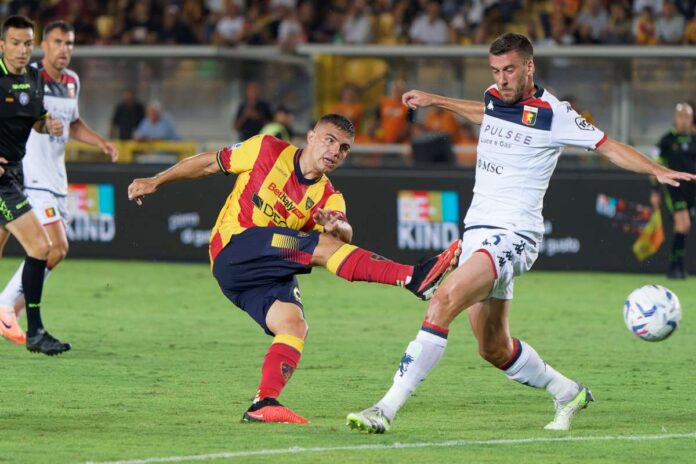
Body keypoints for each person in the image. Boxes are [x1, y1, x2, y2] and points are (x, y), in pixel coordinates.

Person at [346, 33, 696, 434]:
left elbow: (607, 145)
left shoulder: (555, 114)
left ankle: (384, 409)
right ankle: (568, 391)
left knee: (442, 300)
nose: (501, 78)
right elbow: (485, 112)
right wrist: (435, 100)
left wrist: (656, 169)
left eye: (509, 69)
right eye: (495, 70)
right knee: (493, 347)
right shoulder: (494, 97)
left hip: (513, 235)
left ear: (529, 67)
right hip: (477, 233)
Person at [127, 114, 460, 424]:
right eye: (329, 140)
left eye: (344, 148)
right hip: (234, 246)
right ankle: (414, 277)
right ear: (311, 136)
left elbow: (343, 234)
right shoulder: (266, 149)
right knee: (318, 246)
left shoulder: (330, 196)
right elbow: (208, 163)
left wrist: (336, 226)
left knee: (293, 324)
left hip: (261, 272)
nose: (335, 151)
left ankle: (263, 402)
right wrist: (157, 180)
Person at [0, 20, 119, 346]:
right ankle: (13, 313)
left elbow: (65, 122)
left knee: (48, 249)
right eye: (57, 42)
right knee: (51, 247)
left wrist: (98, 141)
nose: (64, 49)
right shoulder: (21, 75)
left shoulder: (60, 82)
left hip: (47, 177)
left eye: (69, 43)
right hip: (30, 178)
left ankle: (16, 315)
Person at [0, 15, 76, 355]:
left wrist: (48, 125)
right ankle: (36, 331)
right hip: (2, 180)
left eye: (27, 43)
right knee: (42, 247)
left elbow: (37, 120)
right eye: (15, 43)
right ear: (2, 45)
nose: (21, 49)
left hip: (15, 173)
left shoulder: (33, 78)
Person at [650, 102, 695, 279]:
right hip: (674, 187)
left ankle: (677, 265)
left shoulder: (694, 140)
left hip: (692, 189)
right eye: (681, 116)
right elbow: (654, 165)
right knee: (683, 223)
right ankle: (675, 266)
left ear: (692, 119)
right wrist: (654, 190)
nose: (684, 120)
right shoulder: (666, 140)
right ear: (675, 118)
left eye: (687, 116)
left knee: (683, 227)